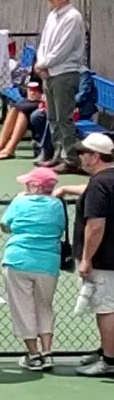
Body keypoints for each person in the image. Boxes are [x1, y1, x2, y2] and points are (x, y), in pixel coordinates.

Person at [2, 166, 67, 371]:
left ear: (37, 187)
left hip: (17, 260)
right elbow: (61, 227)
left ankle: (33, 354)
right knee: (44, 306)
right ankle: (47, 352)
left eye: (29, 183)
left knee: (23, 308)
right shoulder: (57, 205)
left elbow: (5, 225)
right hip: (48, 263)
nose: (26, 186)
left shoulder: (19, 201)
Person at [70, 132, 114, 376]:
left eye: (83, 153)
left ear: (95, 156)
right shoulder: (104, 181)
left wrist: (86, 258)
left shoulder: (99, 184)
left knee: (105, 309)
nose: (81, 158)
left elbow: (96, 225)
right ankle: (106, 350)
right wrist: (66, 187)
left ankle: (109, 360)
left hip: (104, 259)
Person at [37, 0, 89, 172]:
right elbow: (44, 43)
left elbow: (63, 49)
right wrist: (41, 63)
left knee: (63, 117)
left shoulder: (73, 18)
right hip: (48, 74)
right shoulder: (52, 15)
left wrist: (43, 64)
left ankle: (71, 159)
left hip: (64, 74)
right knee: (52, 117)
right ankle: (57, 155)